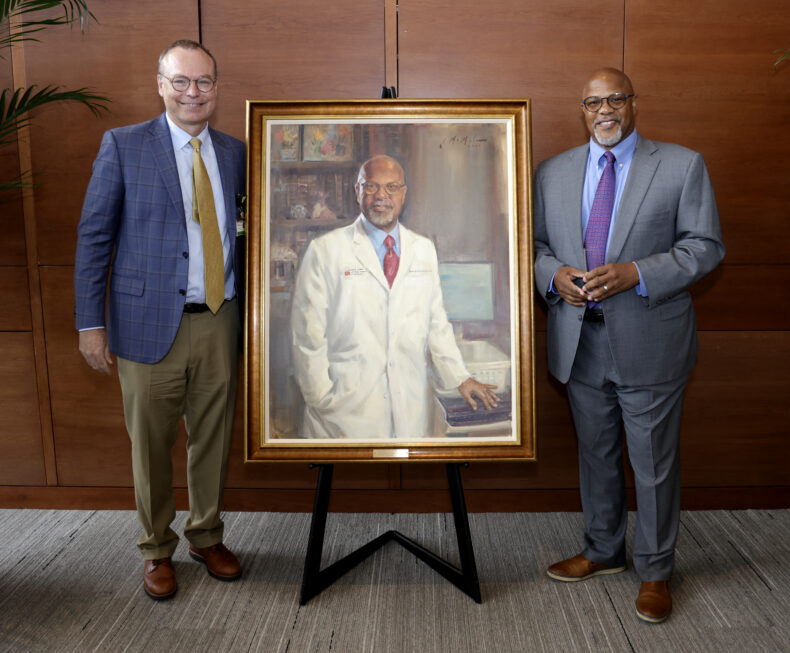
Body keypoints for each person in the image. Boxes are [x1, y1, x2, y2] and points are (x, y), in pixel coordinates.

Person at [533, 68, 725, 623]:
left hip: (650, 341)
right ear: (582, 110)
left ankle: (656, 571)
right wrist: (553, 275)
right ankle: (602, 550)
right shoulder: (552, 172)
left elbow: (705, 246)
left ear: (634, 103)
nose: (605, 110)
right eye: (594, 102)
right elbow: (535, 246)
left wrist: (636, 272)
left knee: (653, 464)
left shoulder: (681, 165)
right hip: (579, 340)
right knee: (596, 455)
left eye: (616, 98)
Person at [74, 40, 246, 600]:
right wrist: (89, 324)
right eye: (181, 81)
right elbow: (94, 237)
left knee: (213, 437)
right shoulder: (124, 146)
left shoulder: (237, 152)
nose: (193, 92)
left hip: (220, 317)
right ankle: (156, 548)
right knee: (150, 445)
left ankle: (206, 535)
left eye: (204, 82)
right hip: (145, 321)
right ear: (160, 85)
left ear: (217, 88)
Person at [290, 154, 499, 439]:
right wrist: (320, 396)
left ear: (403, 193)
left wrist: (460, 378)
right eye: (371, 186)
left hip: (409, 405)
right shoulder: (325, 250)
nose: (381, 196)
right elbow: (307, 336)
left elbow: (436, 324)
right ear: (357, 191)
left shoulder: (423, 249)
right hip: (342, 412)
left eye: (391, 187)